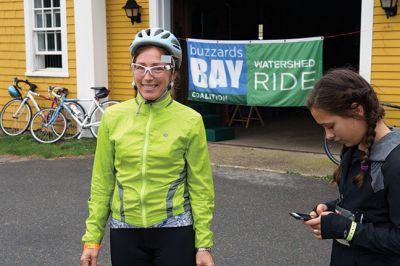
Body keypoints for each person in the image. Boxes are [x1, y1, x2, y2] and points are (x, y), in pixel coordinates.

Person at [80, 28, 215, 266]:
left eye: (158, 67)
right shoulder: (113, 117)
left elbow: (200, 186)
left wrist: (203, 245)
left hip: (175, 230)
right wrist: (92, 240)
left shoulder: (190, 120)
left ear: (173, 73)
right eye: (140, 67)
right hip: (126, 231)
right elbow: (102, 182)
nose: (147, 76)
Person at [304, 68, 400, 265]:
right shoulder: (353, 147)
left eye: (331, 126)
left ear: (357, 110)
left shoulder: (394, 163)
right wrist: (332, 209)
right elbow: (368, 204)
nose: (328, 136)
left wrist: (346, 229)